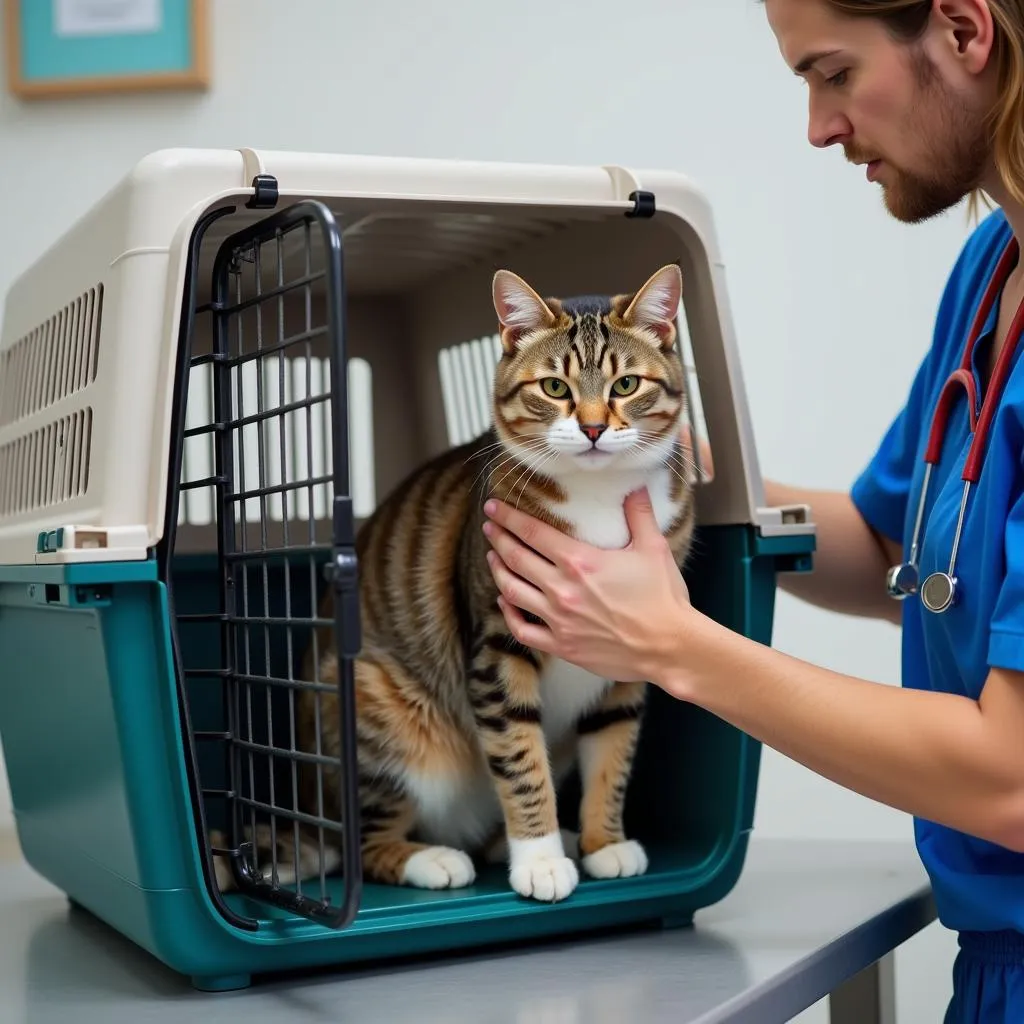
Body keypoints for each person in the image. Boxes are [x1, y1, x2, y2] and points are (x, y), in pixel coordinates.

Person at [479, 1, 1024, 1020]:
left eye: (832, 73)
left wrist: (674, 645)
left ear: (961, 29)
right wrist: (686, 483)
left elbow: (1013, 782)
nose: (818, 127)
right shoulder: (990, 270)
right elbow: (892, 546)